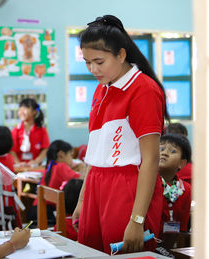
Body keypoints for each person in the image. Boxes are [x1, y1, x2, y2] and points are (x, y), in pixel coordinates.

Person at [72, 15, 169, 254]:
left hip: (128, 187)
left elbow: (151, 160)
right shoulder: (101, 88)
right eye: (86, 62)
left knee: (124, 253)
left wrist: (137, 219)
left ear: (121, 55)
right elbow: (96, 151)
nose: (93, 69)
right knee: (91, 251)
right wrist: (83, 199)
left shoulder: (143, 90)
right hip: (97, 183)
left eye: (99, 61)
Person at [28, 140, 85, 224]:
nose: (71, 160)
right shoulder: (61, 166)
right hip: (48, 213)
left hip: (36, 210)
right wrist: (84, 168)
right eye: (70, 155)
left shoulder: (51, 165)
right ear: (61, 154)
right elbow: (81, 180)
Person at [158, 134, 191, 236]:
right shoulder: (147, 182)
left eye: (172, 151)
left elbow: (182, 227)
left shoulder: (185, 189)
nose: (164, 153)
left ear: (182, 163)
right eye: (161, 148)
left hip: (171, 242)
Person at [10, 98, 50, 167]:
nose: (21, 112)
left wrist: (36, 161)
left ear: (34, 111)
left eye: (24, 109)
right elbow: (12, 150)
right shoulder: (15, 130)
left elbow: (45, 149)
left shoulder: (42, 130)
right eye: (20, 109)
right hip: (19, 168)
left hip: (36, 167)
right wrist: (18, 163)